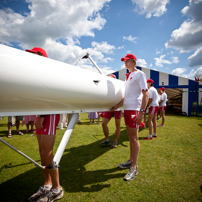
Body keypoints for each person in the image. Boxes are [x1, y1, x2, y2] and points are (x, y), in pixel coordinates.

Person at [26, 47, 63, 202]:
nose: (30, 57)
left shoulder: (48, 72)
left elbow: (51, 94)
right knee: (42, 151)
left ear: (41, 56)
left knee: (47, 152)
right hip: (41, 112)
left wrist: (41, 115)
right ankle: (47, 186)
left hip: (49, 113)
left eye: (33, 54)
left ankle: (57, 189)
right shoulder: (37, 73)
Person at [111, 54, 149, 181]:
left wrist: (141, 112)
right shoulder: (128, 77)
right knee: (130, 137)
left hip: (134, 110)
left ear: (133, 61)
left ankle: (134, 167)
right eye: (124, 62)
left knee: (134, 138)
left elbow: (146, 93)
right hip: (126, 109)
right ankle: (131, 160)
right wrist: (116, 106)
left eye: (127, 61)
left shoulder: (140, 74)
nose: (125, 64)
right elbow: (126, 96)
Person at [99, 74, 122, 148]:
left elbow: (123, 99)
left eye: (111, 78)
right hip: (109, 108)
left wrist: (116, 107)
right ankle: (107, 140)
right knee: (103, 123)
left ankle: (115, 141)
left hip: (118, 109)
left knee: (117, 125)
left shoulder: (119, 87)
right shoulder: (106, 88)